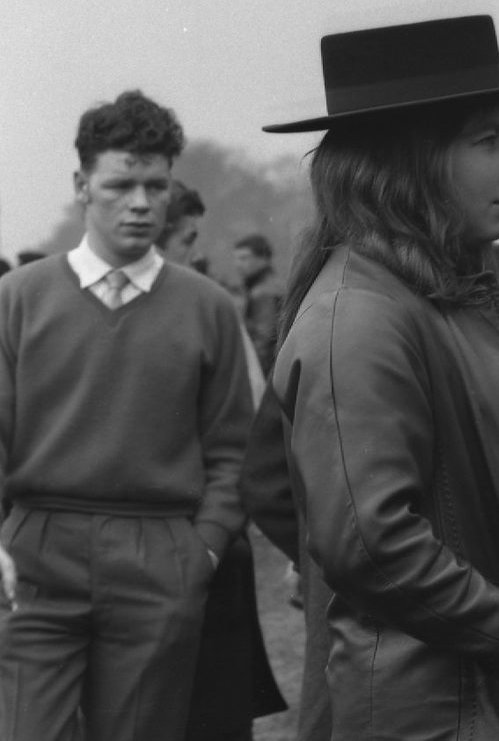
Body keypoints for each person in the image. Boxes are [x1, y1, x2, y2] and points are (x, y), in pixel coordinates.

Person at [262, 17, 499, 741]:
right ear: (410, 162)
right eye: (487, 139)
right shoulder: (357, 318)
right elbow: (371, 542)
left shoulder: (438, 290)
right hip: (443, 712)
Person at [0, 90, 251, 741]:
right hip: (36, 549)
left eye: (156, 185)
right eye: (120, 184)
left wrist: (203, 550)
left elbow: (232, 451)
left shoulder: (208, 308)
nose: (140, 204)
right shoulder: (17, 299)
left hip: (158, 549)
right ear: (82, 185)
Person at [156, 182, 287, 741]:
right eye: (187, 240)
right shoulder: (201, 308)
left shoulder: (207, 309)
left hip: (201, 551)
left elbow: (248, 438)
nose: (193, 253)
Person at [232, 233, 282, 378]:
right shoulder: (262, 287)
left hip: (265, 373)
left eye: (244, 258)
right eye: (236, 258)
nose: (237, 263)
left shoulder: (265, 292)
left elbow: (263, 342)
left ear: (263, 259)